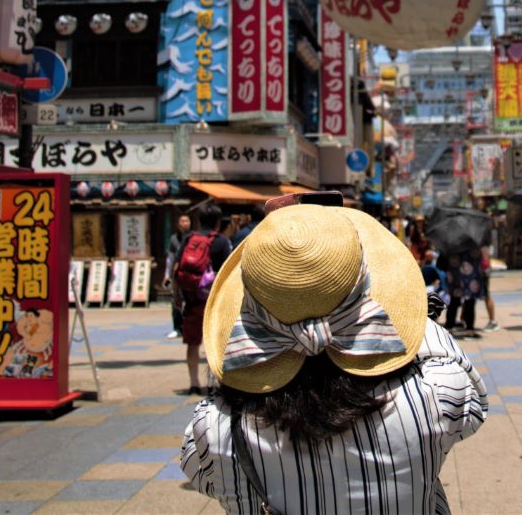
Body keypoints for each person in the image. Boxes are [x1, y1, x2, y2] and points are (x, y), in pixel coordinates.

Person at [182, 192, 487, 512]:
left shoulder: (216, 429)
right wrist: (404, 312)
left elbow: (198, 470)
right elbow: (469, 392)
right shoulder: (436, 395)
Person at [174, 213, 233, 394]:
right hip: (214, 300)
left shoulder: (189, 239)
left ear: (198, 221)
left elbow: (176, 267)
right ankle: (214, 383)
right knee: (215, 343)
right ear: (216, 222)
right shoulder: (222, 242)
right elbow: (228, 271)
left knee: (193, 343)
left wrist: (176, 294)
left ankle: (193, 383)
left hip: (192, 299)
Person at [164, 212, 193, 340]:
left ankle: (189, 327)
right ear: (178, 224)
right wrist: (167, 274)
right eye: (182, 221)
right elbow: (170, 258)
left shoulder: (194, 237)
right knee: (175, 301)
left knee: (191, 302)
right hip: (177, 275)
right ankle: (177, 328)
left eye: (186, 221)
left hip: (191, 274)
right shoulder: (174, 239)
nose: (184, 223)